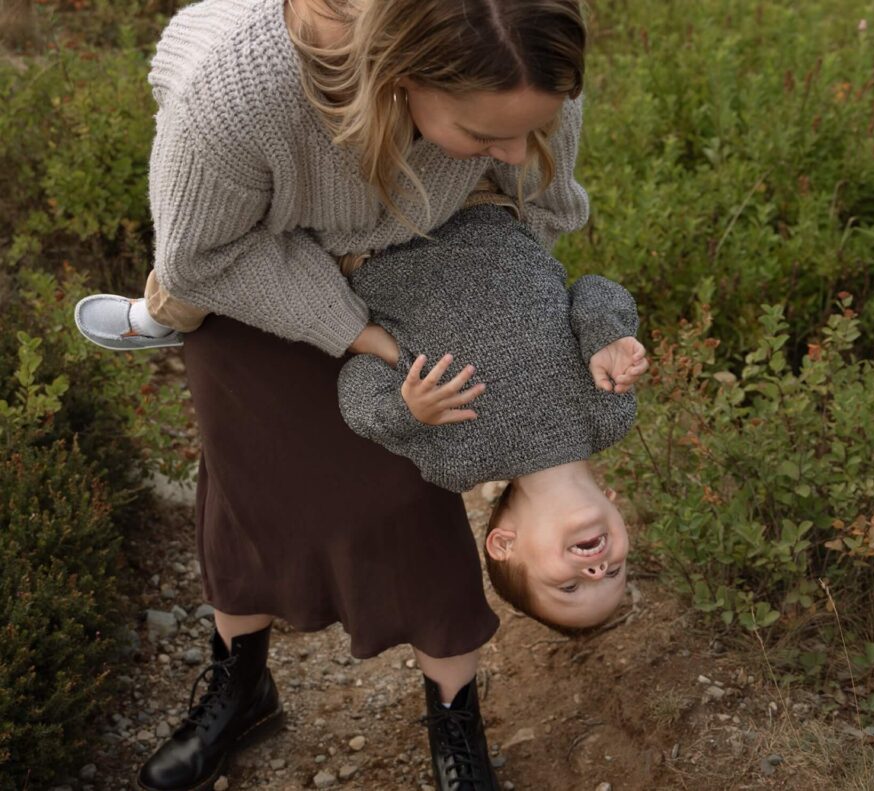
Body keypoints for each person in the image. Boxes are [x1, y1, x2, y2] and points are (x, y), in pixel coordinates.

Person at [81, 0, 591, 789]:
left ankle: (455, 718)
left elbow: (536, 209)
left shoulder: (525, 51)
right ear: (402, 77)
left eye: (531, 128)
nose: (518, 150)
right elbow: (202, 258)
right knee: (250, 481)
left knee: (407, 494)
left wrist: (504, 315)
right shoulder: (235, 97)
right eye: (488, 136)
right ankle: (241, 684)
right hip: (252, 268)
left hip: (423, 251)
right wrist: (354, 330)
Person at [334, 199, 646, 631]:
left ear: (504, 544)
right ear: (617, 509)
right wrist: (607, 333)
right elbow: (593, 289)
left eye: (568, 588)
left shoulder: (460, 462)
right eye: (615, 572)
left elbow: (358, 386)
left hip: (375, 235)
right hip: (479, 202)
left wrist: (408, 410)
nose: (595, 571)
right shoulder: (609, 410)